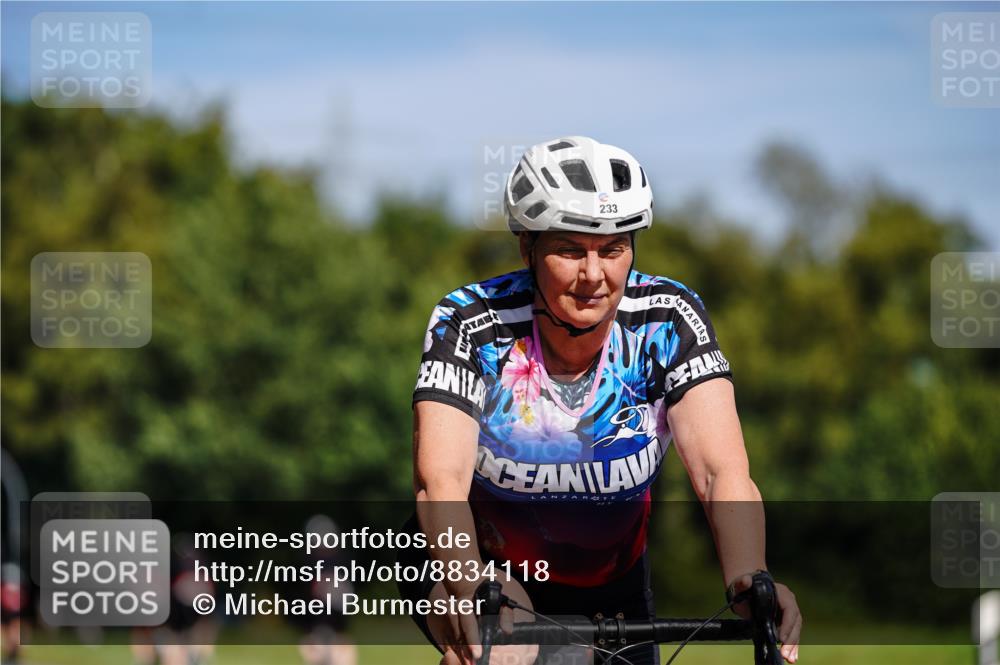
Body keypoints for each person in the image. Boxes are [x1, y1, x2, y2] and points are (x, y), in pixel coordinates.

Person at [399, 136, 802, 665]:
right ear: (528, 248)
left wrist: (750, 575)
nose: (595, 275)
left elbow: (719, 470)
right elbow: (440, 480)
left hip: (614, 583)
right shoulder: (472, 323)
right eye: (570, 250)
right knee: (503, 652)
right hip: (479, 564)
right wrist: (472, 584)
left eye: (613, 250)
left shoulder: (666, 320)